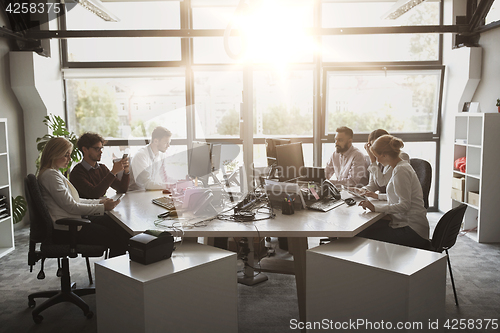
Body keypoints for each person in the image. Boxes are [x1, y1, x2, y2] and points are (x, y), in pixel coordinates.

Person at [38, 137, 130, 257]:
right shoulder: (51, 175)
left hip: (72, 222)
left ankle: (117, 272)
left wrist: (100, 203)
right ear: (54, 153)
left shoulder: (54, 173)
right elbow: (72, 206)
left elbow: (75, 200)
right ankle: (115, 274)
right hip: (68, 228)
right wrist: (102, 207)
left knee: (117, 226)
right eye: (66, 155)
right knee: (119, 237)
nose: (69, 159)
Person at [357, 135, 430, 249]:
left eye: (377, 157)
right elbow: (400, 195)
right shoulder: (400, 167)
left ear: (384, 155)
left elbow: (404, 205)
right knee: (369, 229)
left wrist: (375, 208)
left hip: (412, 230)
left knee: (363, 236)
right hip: (410, 225)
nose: (378, 161)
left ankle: (379, 265)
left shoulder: (401, 171)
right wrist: (377, 196)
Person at [70, 132, 130, 199]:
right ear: (85, 149)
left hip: (101, 207)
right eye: (97, 149)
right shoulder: (77, 173)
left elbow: (122, 189)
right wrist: (113, 172)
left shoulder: (102, 168)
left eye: (101, 148)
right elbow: (94, 194)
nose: (101, 152)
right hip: (87, 209)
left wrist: (126, 171)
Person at [361, 129, 410, 194]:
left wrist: (373, 161)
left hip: (392, 199)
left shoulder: (400, 157)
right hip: (384, 198)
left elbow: (382, 182)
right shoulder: (377, 158)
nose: (375, 150)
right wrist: (362, 190)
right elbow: (373, 185)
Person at [129, 126, 176, 190]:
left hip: (148, 192)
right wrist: (170, 186)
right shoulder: (141, 156)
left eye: (169, 143)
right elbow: (147, 184)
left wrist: (178, 182)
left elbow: (164, 177)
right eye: (166, 143)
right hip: (135, 193)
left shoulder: (161, 155)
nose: (168, 146)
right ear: (156, 141)